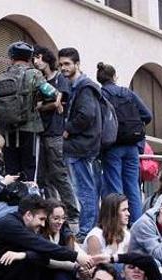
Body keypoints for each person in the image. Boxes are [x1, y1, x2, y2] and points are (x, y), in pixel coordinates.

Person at [96, 62, 152, 223]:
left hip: (112, 146)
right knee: (133, 188)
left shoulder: (100, 94)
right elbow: (147, 115)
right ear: (114, 77)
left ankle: (118, 225)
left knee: (115, 189)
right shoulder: (127, 93)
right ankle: (137, 225)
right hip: (132, 146)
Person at [0, 42, 59, 179]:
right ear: (30, 58)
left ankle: (13, 198)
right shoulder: (34, 74)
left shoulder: (3, 75)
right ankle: (28, 198)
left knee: (11, 170)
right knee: (29, 169)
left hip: (7, 130)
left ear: (11, 58)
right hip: (29, 128)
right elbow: (52, 93)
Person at [59, 47, 102, 239]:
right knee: (86, 190)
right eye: (61, 64)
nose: (63, 68)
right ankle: (88, 229)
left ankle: (86, 231)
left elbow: (86, 115)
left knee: (85, 191)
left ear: (77, 64)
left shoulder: (85, 87)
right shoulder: (78, 87)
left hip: (81, 147)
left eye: (67, 64)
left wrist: (68, 129)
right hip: (82, 146)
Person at [33, 45, 78, 221]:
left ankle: (72, 212)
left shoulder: (60, 79)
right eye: (34, 59)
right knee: (44, 177)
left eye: (39, 57)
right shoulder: (41, 81)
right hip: (42, 132)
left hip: (55, 133)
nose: (36, 62)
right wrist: (51, 104)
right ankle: (54, 211)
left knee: (59, 174)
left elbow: (62, 103)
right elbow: (52, 103)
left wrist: (45, 106)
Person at [41, 201, 87, 280]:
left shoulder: (65, 232)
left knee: (83, 269)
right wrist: (75, 267)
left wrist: (86, 266)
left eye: (62, 218)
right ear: (47, 218)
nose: (60, 222)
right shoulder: (40, 234)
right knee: (63, 269)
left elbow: (79, 252)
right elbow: (48, 261)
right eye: (56, 218)